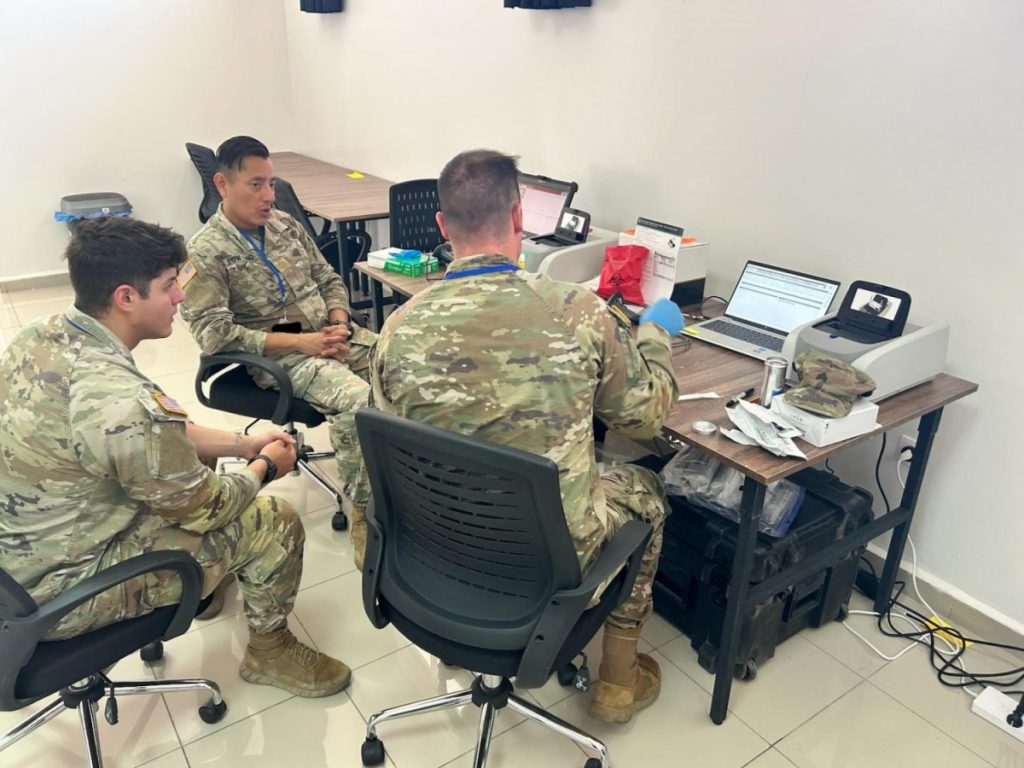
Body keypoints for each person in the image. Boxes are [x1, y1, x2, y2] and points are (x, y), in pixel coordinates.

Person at [369, 149, 683, 724]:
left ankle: (473, 635)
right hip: (552, 560)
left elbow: (398, 446)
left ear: (442, 225)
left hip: (437, 547)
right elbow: (645, 419)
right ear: (519, 217)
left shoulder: (397, 327)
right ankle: (619, 680)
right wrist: (656, 335)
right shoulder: (579, 313)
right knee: (645, 489)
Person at [0, 217, 351, 698]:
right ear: (126, 297)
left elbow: (155, 435)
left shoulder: (41, 336)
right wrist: (268, 465)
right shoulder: (123, 402)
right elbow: (212, 507)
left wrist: (240, 444)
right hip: (60, 597)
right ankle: (269, 652)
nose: (181, 297)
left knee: (194, 462)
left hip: (17, 564)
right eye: (169, 286)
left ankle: (209, 582)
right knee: (273, 520)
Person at [180, 136, 375, 570]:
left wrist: (338, 319)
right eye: (256, 185)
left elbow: (328, 278)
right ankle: (364, 511)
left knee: (403, 366)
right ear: (222, 184)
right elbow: (213, 334)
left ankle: (409, 478)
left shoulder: (285, 225)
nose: (269, 196)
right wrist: (302, 342)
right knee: (359, 402)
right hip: (283, 357)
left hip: (330, 334)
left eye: (271, 183)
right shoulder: (206, 252)